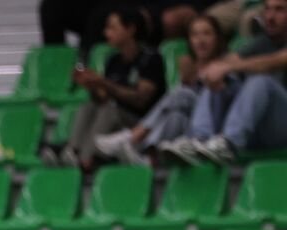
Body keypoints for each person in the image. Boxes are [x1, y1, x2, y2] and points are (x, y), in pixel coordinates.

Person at [159, 0, 287, 164]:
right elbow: (225, 63)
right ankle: (199, 140)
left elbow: (271, 62)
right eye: (268, 10)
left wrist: (226, 68)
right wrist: (206, 70)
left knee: (260, 82)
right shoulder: (263, 42)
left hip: (282, 126)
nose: (270, 16)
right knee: (218, 79)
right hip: (258, 130)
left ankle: (229, 143)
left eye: (279, 10)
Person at [95, 14, 227, 165]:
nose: (200, 40)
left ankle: (133, 136)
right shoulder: (191, 67)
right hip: (186, 128)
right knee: (176, 114)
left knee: (181, 93)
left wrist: (191, 84)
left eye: (207, 33)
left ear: (217, 38)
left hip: (213, 126)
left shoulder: (226, 63)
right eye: (195, 34)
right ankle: (150, 158)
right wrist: (186, 81)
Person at [56, 7, 166, 170]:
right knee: (89, 106)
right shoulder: (113, 60)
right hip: (116, 121)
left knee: (110, 110)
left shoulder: (151, 59)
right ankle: (72, 152)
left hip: (140, 125)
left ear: (130, 29)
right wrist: (92, 85)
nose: (106, 32)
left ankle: (87, 160)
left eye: (112, 28)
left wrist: (103, 82)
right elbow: (103, 98)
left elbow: (141, 99)